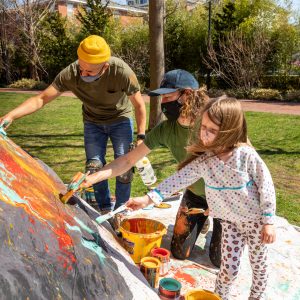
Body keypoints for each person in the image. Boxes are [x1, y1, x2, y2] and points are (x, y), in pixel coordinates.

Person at [126, 97, 276, 300]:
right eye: (203, 127)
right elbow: (177, 180)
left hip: (255, 222)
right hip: (230, 223)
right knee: (227, 269)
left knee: (259, 265)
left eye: (212, 130)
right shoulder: (205, 160)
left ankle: (256, 297)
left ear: (230, 131)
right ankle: (219, 297)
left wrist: (268, 221)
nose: (204, 134)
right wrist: (147, 199)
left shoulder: (246, 156)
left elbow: (266, 187)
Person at [81, 69, 222, 266]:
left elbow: (245, 154)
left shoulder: (213, 123)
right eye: (161, 98)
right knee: (180, 253)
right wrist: (93, 177)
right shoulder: (166, 129)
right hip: (195, 194)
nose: (163, 103)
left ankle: (216, 226)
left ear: (187, 95)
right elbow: (128, 160)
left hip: (226, 196)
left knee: (219, 260)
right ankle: (202, 221)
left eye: (168, 97)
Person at [0, 35, 146, 214]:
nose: (83, 74)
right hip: (92, 122)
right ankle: (106, 210)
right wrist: (11, 116)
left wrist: (141, 137)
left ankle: (121, 211)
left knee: (125, 169)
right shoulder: (71, 72)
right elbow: (42, 98)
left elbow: (139, 105)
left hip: (120, 120)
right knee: (94, 168)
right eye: (81, 67)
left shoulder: (121, 71)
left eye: (89, 72)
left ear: (105, 67)